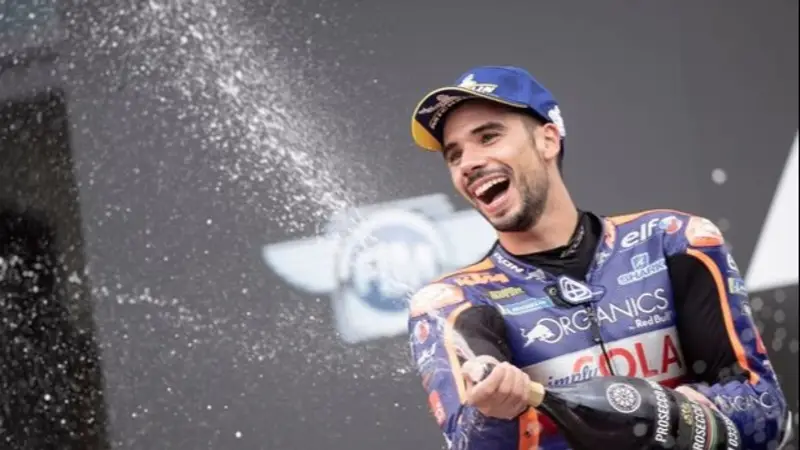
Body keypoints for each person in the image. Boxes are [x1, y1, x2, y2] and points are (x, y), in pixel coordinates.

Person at [406, 65, 793, 449]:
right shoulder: (454, 303)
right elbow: (469, 442)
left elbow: (767, 411)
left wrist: (687, 414)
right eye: (454, 155)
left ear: (548, 140)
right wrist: (492, 413)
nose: (468, 164)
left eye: (488, 137)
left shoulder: (673, 241)